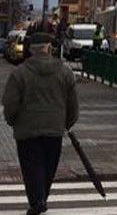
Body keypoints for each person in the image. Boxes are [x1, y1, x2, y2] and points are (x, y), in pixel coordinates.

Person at [3, 32, 79, 215]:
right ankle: (41, 198)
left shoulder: (19, 73)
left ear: (30, 49)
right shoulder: (65, 72)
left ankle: (37, 200)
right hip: (54, 128)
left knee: (31, 166)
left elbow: (10, 103)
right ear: (49, 48)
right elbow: (72, 104)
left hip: (27, 129)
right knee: (49, 166)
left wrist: (12, 120)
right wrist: (66, 123)